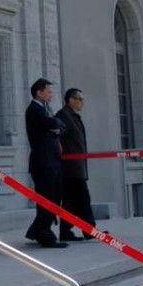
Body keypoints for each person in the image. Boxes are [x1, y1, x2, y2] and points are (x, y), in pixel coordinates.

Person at [25, 78, 67, 248]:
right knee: (47, 198)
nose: (51, 95)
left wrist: (56, 127)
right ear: (39, 92)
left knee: (55, 196)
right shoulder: (34, 110)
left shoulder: (46, 109)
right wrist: (55, 126)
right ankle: (45, 234)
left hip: (52, 161)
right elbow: (52, 123)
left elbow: (61, 127)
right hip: (43, 162)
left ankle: (37, 229)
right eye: (48, 92)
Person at [55, 88, 97, 241]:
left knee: (70, 202)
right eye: (80, 99)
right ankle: (90, 230)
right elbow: (57, 137)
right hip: (71, 167)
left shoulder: (72, 116)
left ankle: (66, 231)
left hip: (76, 166)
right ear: (71, 100)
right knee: (83, 199)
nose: (82, 103)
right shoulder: (64, 116)